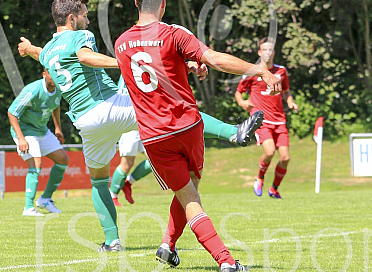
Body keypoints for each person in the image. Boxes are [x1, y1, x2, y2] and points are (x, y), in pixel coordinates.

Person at [18, 0, 263, 252]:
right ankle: (233, 133)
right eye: (85, 15)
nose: (88, 21)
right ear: (71, 18)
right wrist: (123, 62)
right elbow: (84, 57)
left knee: (99, 181)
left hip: (86, 123)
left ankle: (112, 241)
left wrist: (29, 49)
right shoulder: (81, 36)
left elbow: (41, 53)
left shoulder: (49, 52)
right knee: (170, 108)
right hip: (110, 107)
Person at [114, 0, 282, 272]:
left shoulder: (121, 42)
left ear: (136, 2)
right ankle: (226, 261)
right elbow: (214, 58)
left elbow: (149, 70)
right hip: (185, 126)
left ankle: (168, 244)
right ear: (163, 3)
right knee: (191, 195)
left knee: (186, 191)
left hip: (152, 135)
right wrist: (259, 70)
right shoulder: (173, 34)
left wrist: (186, 64)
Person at [110, 76, 263, 206]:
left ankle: (128, 183)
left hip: (151, 118)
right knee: (127, 163)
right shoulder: (131, 56)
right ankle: (113, 195)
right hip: (131, 118)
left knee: (156, 161)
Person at [235, 37, 298, 199]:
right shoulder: (253, 71)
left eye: (270, 50)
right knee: (269, 152)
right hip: (261, 119)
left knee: (285, 158)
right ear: (259, 52)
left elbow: (286, 91)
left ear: (274, 52)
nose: (268, 53)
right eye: (265, 50)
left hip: (279, 120)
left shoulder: (281, 71)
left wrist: (290, 102)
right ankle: (260, 177)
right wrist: (242, 102)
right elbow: (238, 92)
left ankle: (274, 189)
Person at [7, 69, 68, 216]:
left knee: (63, 159)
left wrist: (58, 128)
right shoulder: (32, 90)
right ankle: (28, 208)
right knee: (35, 163)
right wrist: (21, 138)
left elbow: (56, 105)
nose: (54, 76)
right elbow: (12, 112)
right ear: (44, 74)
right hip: (25, 130)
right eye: (50, 73)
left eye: (56, 73)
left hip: (42, 130)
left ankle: (45, 199)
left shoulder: (59, 89)